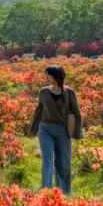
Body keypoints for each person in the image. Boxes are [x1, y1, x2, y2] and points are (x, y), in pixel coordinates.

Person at [28, 65, 82, 194]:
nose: (46, 77)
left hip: (63, 130)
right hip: (45, 129)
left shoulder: (69, 92)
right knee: (47, 158)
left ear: (56, 76)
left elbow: (76, 112)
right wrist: (33, 129)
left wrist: (77, 133)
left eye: (48, 75)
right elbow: (39, 111)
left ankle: (62, 193)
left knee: (63, 162)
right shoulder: (44, 91)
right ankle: (45, 191)